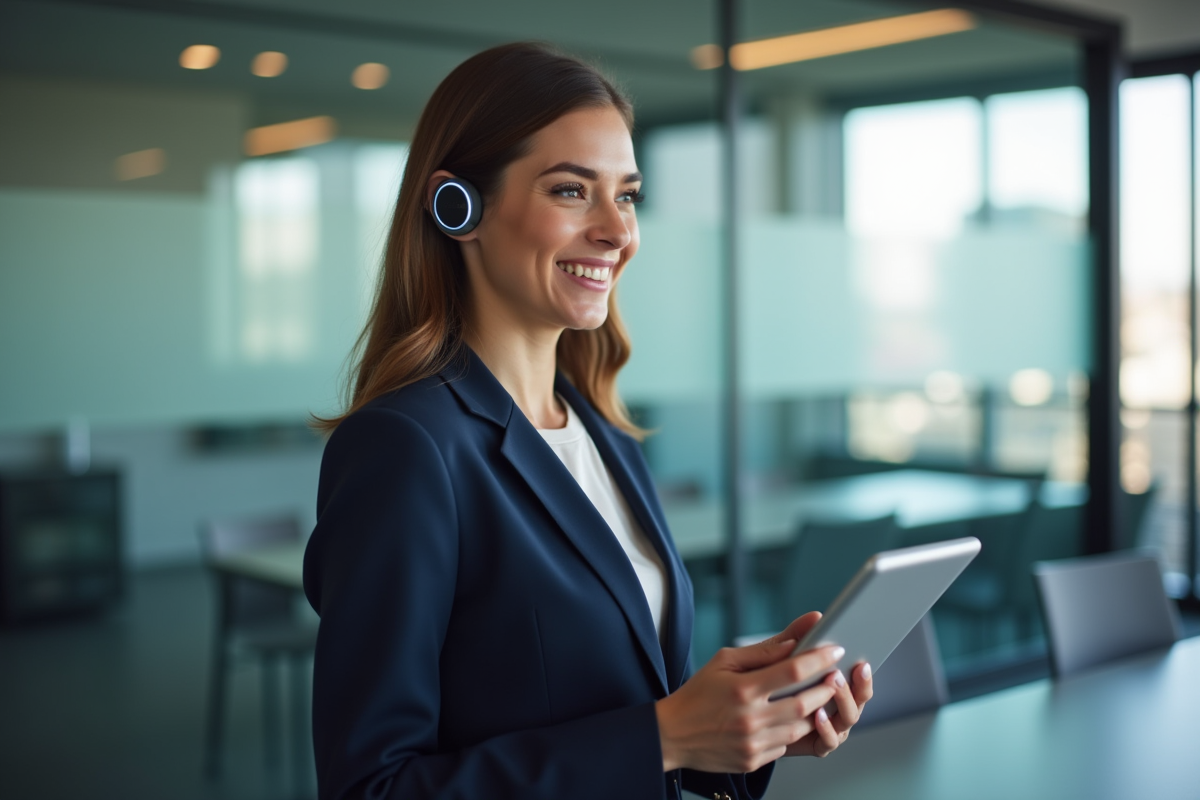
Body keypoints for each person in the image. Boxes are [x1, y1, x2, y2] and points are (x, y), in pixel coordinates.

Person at [304, 41, 872, 800]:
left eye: (627, 196)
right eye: (572, 191)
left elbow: (627, 717)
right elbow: (371, 788)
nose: (617, 232)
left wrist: (742, 733)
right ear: (457, 206)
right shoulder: (407, 448)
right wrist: (667, 734)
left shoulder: (603, 434)